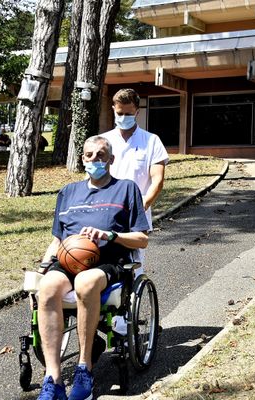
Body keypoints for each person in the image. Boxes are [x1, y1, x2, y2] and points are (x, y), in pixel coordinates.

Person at [36, 135, 149, 400]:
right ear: (82, 158)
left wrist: (110, 236)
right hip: (68, 259)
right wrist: (43, 267)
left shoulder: (126, 189)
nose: (94, 160)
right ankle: (52, 379)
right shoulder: (68, 192)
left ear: (111, 159)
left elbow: (142, 239)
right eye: (89, 155)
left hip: (108, 262)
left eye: (101, 155)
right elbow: (57, 240)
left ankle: (83, 367)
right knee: (48, 287)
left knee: (85, 282)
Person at [100, 88, 168, 335]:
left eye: (128, 113)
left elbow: (157, 180)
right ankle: (106, 313)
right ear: (113, 110)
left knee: (133, 266)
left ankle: (129, 317)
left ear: (137, 112)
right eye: (119, 113)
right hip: (106, 214)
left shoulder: (151, 141)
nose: (123, 117)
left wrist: (140, 208)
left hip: (136, 217)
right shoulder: (104, 141)